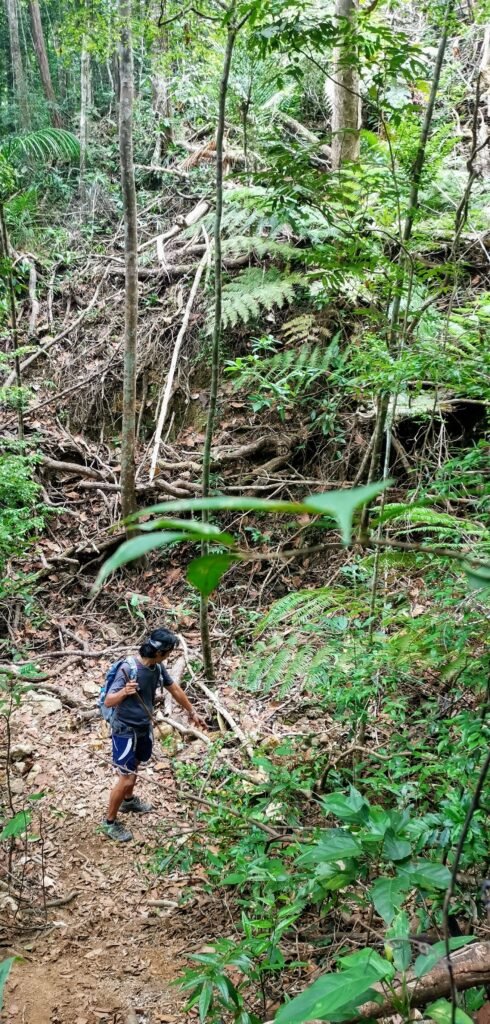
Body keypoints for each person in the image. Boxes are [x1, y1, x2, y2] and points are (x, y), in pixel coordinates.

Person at [102, 627, 204, 842]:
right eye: (168, 653)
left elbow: (174, 689)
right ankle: (109, 822)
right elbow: (108, 701)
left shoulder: (156, 667)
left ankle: (128, 801)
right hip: (125, 730)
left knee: (136, 765)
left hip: (142, 726)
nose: (169, 656)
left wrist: (191, 711)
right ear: (160, 652)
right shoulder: (127, 668)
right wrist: (124, 692)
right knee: (126, 776)